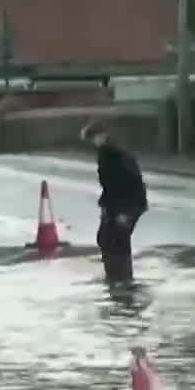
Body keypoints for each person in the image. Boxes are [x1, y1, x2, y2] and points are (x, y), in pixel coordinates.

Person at [81, 119, 147, 281]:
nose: (93, 143)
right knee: (107, 238)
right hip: (117, 205)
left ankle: (122, 277)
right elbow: (110, 186)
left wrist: (125, 212)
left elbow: (129, 183)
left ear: (102, 135)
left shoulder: (115, 155)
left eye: (93, 138)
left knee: (117, 240)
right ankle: (115, 275)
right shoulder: (105, 153)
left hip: (127, 205)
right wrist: (106, 207)